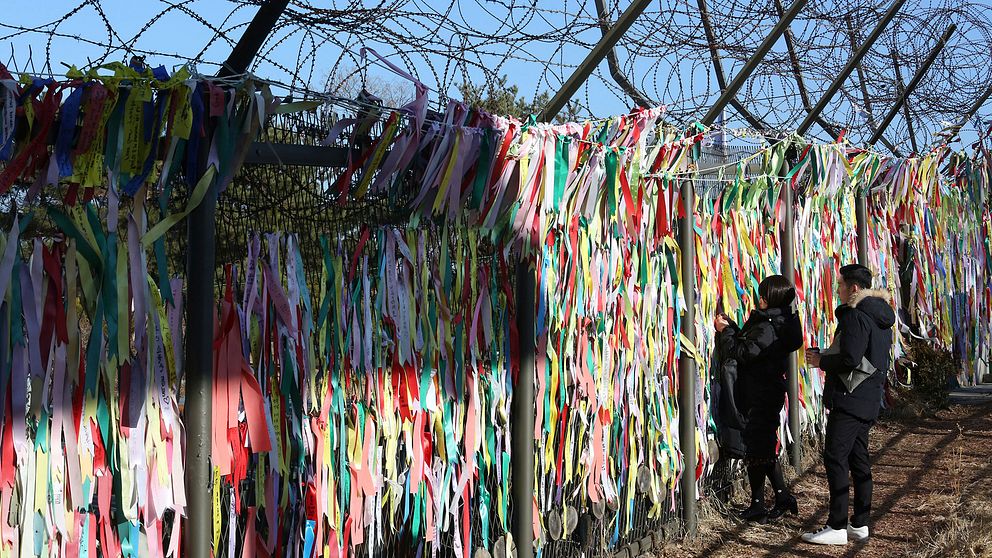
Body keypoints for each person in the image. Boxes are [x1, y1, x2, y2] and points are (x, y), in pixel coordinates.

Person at [802, 264, 895, 545]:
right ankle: (860, 523)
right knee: (859, 459)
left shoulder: (856, 316)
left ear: (854, 288)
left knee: (835, 457)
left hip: (850, 399)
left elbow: (851, 358)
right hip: (868, 398)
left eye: (840, 285)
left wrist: (821, 361)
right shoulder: (879, 316)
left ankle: (837, 525)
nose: (838, 289)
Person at [714, 275, 804, 523]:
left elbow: (743, 353)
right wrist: (733, 327)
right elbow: (751, 344)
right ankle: (782, 497)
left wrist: (726, 332)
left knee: (756, 449)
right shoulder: (780, 322)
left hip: (760, 393)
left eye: (764, 295)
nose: (760, 298)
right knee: (762, 447)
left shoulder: (768, 326)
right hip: (768, 391)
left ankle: (758, 506)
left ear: (772, 299)